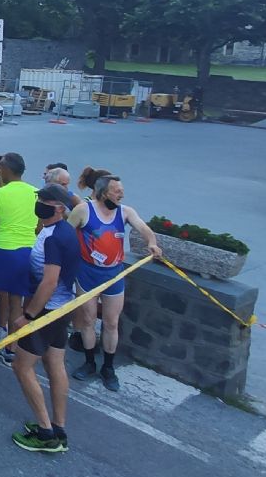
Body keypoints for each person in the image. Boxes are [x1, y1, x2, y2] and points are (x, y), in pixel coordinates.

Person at [68, 173, 162, 391]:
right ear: (103, 193)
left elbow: (144, 228)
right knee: (88, 320)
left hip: (114, 275)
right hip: (87, 274)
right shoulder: (83, 210)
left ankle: (108, 368)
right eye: (117, 191)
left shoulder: (125, 212)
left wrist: (152, 242)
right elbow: (66, 234)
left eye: (122, 191)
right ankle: (89, 362)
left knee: (111, 322)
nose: (121, 195)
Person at [14, 185, 81, 452]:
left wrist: (28, 315)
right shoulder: (64, 231)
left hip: (47, 311)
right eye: (39, 198)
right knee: (55, 363)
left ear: (60, 208)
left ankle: (45, 432)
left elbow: (50, 281)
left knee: (22, 366)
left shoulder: (54, 238)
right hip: (62, 309)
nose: (40, 203)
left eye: (46, 201)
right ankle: (58, 426)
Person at [0, 151, 40, 346]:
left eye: (0, 169)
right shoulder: (36, 192)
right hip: (28, 252)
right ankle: (12, 348)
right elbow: (39, 227)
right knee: (17, 301)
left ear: (5, 170)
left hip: (3, 252)